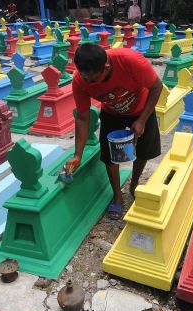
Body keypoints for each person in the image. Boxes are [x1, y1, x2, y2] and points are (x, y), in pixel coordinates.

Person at [65, 43, 163, 220]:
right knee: (110, 156)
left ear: (106, 67)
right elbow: (82, 117)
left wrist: (141, 121)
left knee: (143, 150)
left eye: (94, 79)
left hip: (141, 109)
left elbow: (157, 86)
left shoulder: (131, 61)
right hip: (111, 113)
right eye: (85, 77)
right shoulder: (80, 80)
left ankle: (134, 182)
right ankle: (117, 195)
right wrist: (77, 154)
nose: (89, 83)